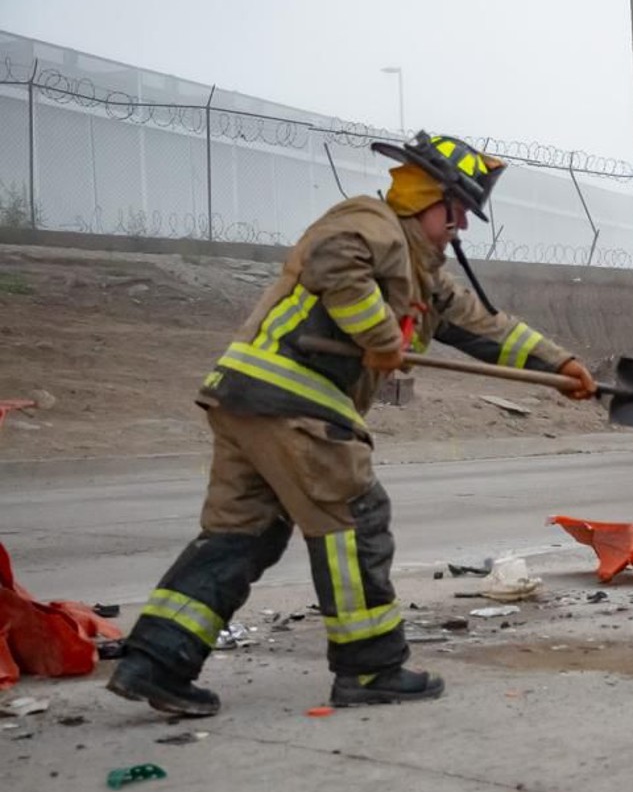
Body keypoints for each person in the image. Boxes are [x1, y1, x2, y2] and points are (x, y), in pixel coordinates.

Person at [106, 132, 595, 716]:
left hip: (245, 400)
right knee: (354, 522)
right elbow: (335, 260)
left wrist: (560, 365)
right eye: (456, 208)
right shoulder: (373, 222)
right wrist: (381, 336)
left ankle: (156, 662)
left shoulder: (420, 275)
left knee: (242, 536)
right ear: (425, 197)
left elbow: (486, 328)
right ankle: (370, 670)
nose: (460, 224)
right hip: (295, 400)